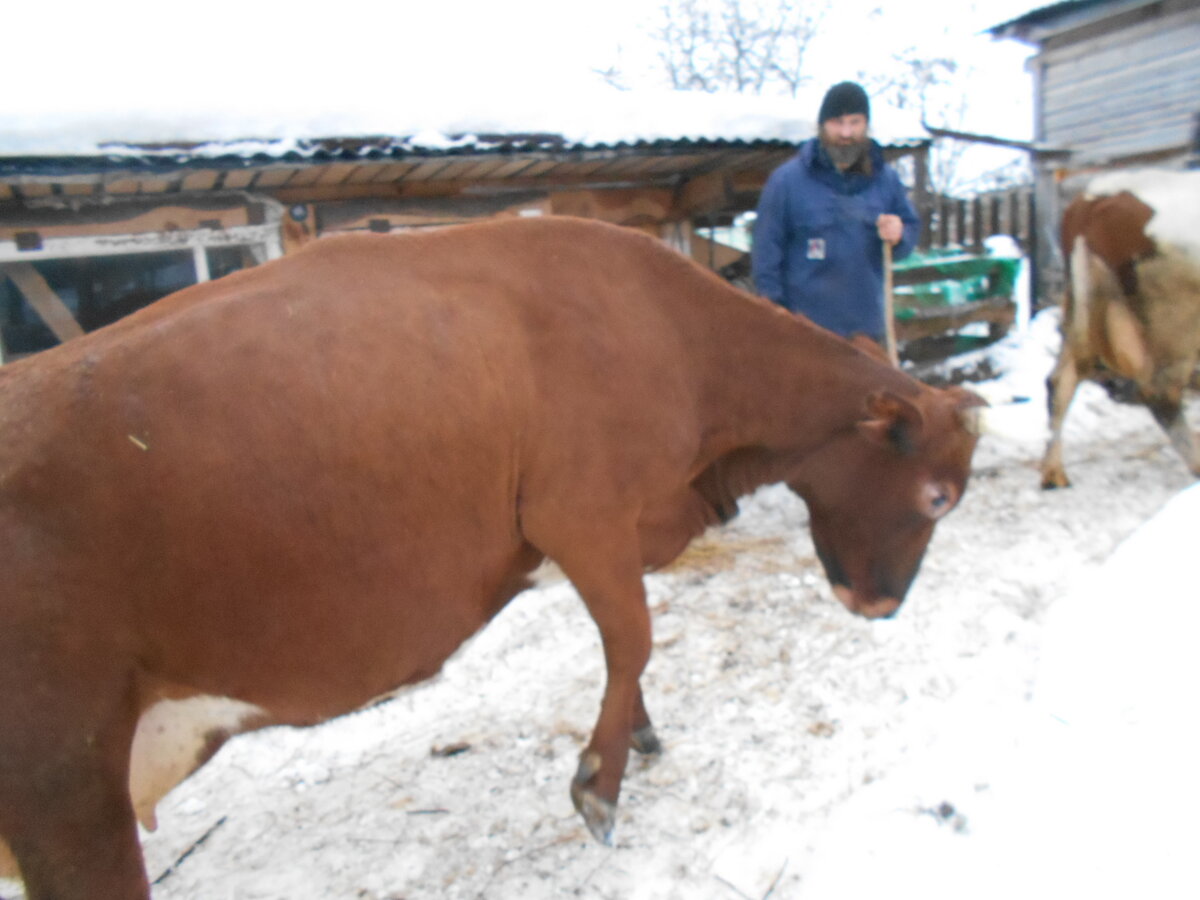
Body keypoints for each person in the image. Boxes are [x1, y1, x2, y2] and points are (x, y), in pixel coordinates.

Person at [752, 81, 920, 344]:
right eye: (837, 122)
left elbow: (909, 231)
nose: (846, 132)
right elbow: (766, 255)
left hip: (867, 335)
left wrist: (900, 234)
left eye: (855, 122)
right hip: (807, 336)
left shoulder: (885, 180)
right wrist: (775, 318)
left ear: (866, 125)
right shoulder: (786, 182)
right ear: (821, 126)